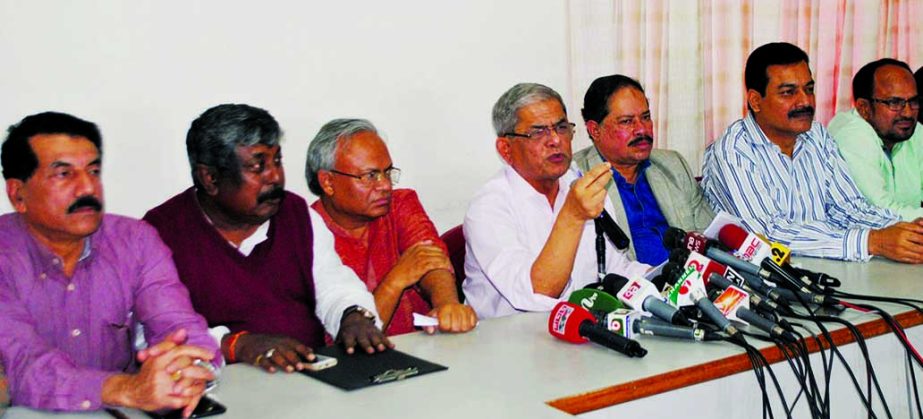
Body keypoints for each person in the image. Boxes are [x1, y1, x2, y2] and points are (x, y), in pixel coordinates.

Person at [144, 104, 391, 375]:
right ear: (210, 178)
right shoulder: (160, 234)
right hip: (215, 390)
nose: (275, 177)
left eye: (277, 161)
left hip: (310, 383)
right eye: (257, 166)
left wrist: (353, 315)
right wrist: (235, 345)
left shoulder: (296, 215)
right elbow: (154, 333)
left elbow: (333, 285)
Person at [0, 112, 218, 416]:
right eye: (64, 174)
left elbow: (176, 322)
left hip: (122, 411)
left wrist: (187, 368)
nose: (87, 189)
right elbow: (24, 365)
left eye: (93, 171)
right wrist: (127, 389)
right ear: (17, 193)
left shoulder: (135, 240)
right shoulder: (4, 256)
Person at [702, 42, 923, 263]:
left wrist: (908, 231)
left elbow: (847, 207)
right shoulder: (733, 151)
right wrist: (872, 241)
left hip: (830, 264)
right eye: (788, 92)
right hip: (769, 280)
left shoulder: (816, 135)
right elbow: (769, 232)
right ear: (756, 101)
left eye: (809, 89)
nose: (805, 101)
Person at [464, 83, 650, 319]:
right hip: (510, 344)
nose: (555, 140)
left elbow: (617, 269)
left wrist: (664, 277)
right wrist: (572, 215)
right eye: (538, 132)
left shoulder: (578, 182)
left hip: (581, 335)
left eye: (561, 127)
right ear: (506, 149)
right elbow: (538, 293)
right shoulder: (489, 207)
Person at [305, 118, 477, 336]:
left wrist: (447, 304)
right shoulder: (306, 233)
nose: (385, 185)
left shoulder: (400, 204)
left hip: (423, 348)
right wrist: (396, 280)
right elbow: (349, 338)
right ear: (328, 182)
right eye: (370, 176)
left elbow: (432, 261)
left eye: (387, 172)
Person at [574, 74, 714, 264]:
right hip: (630, 289)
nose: (642, 129)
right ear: (594, 130)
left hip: (692, 283)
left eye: (646, 117)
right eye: (626, 121)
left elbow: (710, 237)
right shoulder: (577, 180)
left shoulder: (673, 165)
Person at [828, 59, 923, 221]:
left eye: (913, 101)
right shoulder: (852, 136)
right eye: (894, 103)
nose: (908, 113)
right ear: (864, 108)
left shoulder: (914, 131)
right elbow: (877, 211)